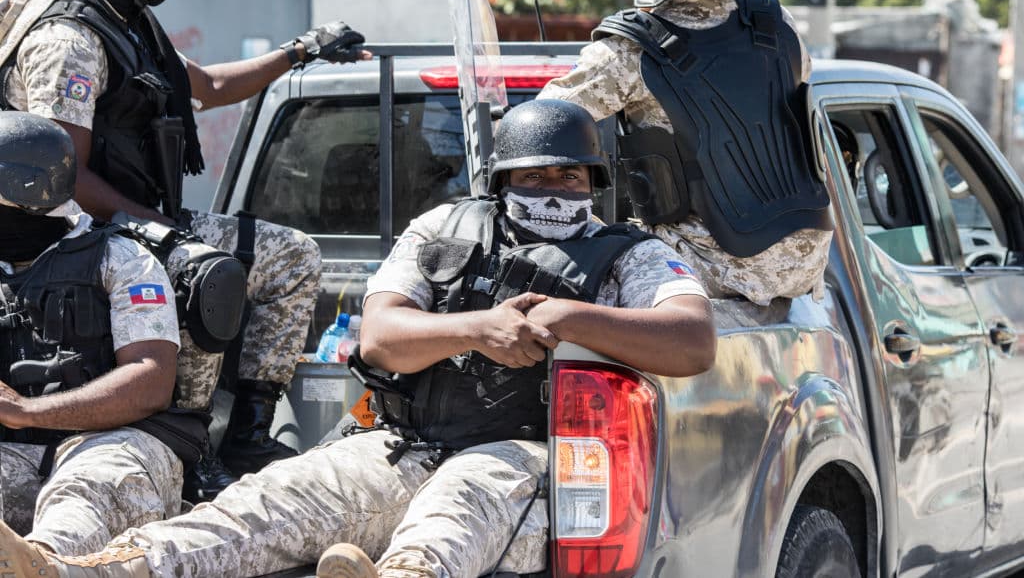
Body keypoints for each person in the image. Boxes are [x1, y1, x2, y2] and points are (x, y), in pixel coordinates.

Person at [0, 99, 717, 578]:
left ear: (594, 180)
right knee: (267, 502)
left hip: (528, 453)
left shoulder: (629, 253)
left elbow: (692, 340)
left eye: (570, 174)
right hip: (406, 440)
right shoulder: (442, 230)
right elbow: (380, 337)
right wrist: (479, 328)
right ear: (504, 178)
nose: (554, 188)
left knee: (458, 505)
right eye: (536, 173)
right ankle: (78, 569)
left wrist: (571, 319)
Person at [0, 0, 372, 499]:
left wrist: (301, 50)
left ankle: (248, 432)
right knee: (205, 272)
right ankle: (188, 450)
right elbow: (59, 178)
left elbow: (210, 85)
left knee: (291, 255)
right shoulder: (69, 38)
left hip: (138, 216)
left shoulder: (125, 19)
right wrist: (165, 235)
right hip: (69, 228)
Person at [538, 0, 833, 307]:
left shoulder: (631, 48)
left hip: (706, 273)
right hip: (807, 268)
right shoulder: (776, 23)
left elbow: (541, 128)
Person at [0, 111, 184, 560]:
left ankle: (40, 565)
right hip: (15, 453)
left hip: (112, 442)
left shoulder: (123, 259)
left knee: (86, 493)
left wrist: (27, 411)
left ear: (23, 194)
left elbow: (152, 379)